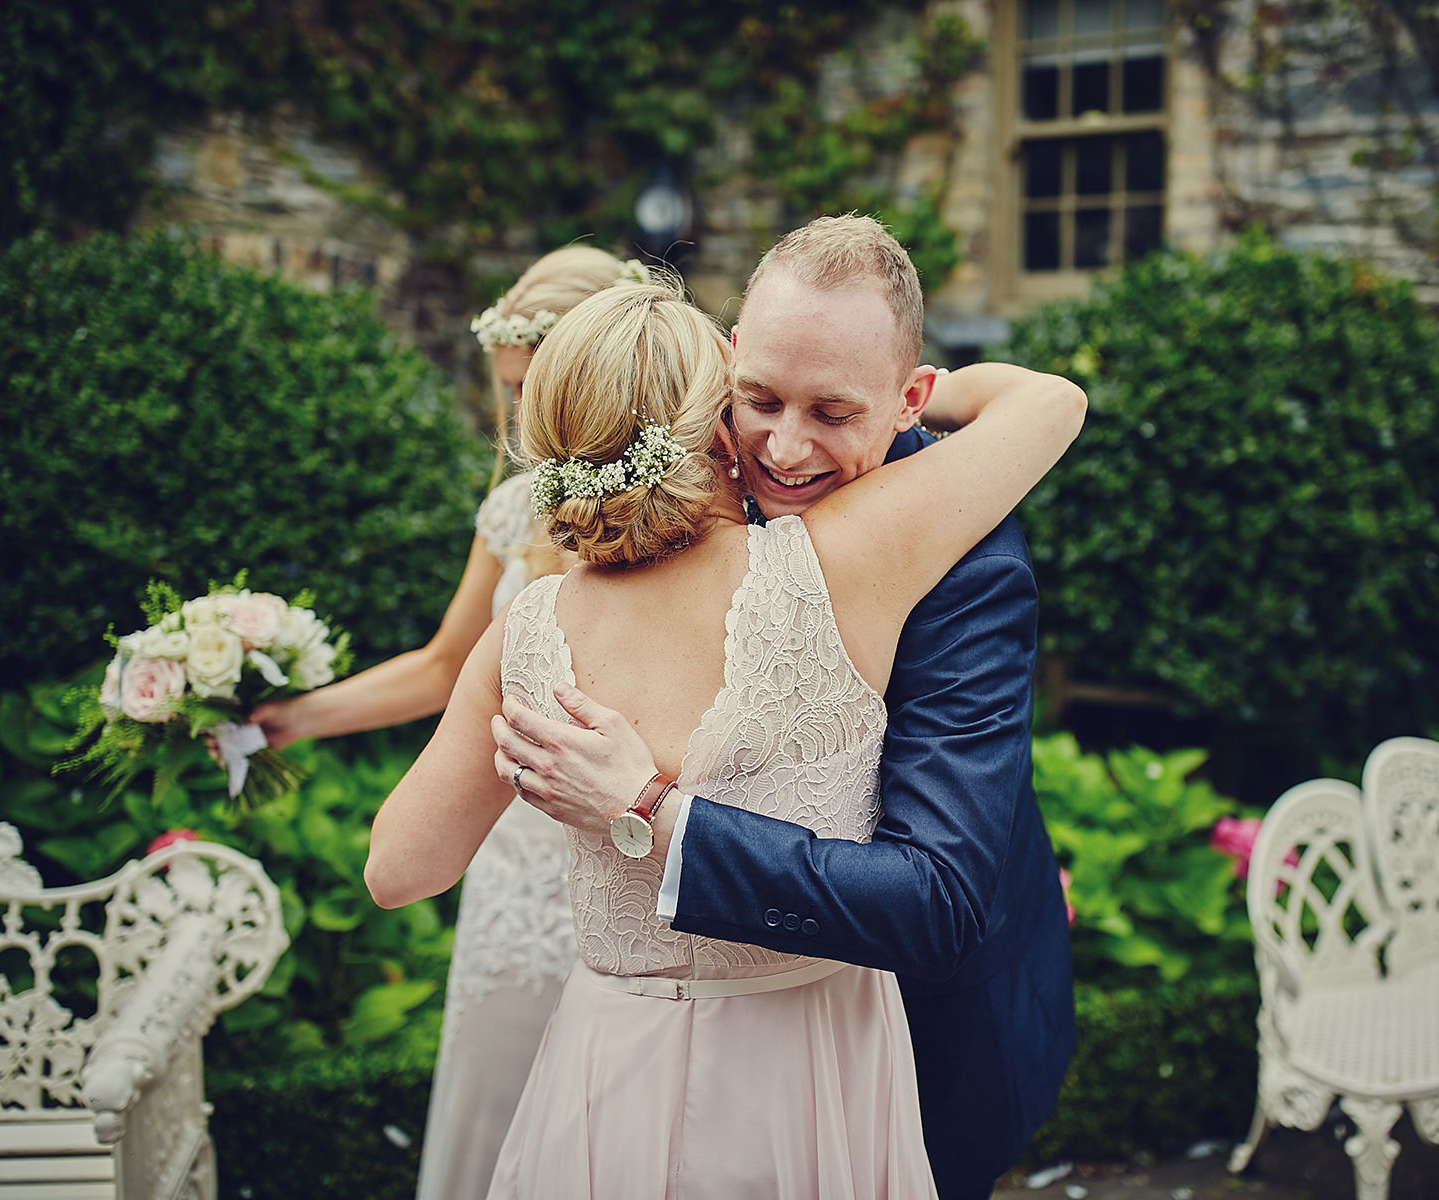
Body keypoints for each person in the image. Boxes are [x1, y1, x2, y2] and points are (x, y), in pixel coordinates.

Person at [364, 271, 1085, 1198]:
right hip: (814, 1064)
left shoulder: (528, 632)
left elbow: (398, 870)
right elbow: (1049, 405)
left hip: (609, 1062)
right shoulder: (849, 555)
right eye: (759, 402)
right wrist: (915, 390)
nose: (784, 443)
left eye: (831, 409)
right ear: (720, 413)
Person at [249, 245, 641, 1200]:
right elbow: (443, 667)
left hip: (627, 851)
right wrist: (293, 718)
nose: (523, 416)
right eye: (510, 391)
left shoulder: (686, 512)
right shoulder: (511, 511)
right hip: (509, 859)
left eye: (537, 386)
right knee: (494, 1102)